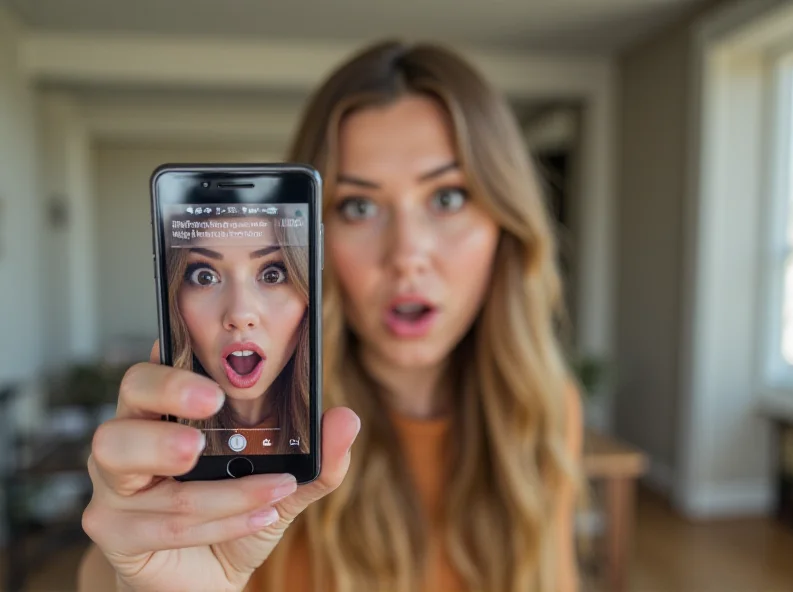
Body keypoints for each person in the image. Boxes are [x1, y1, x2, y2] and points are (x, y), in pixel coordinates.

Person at [78, 40, 583, 592]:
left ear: (504, 225)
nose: (406, 255)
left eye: (448, 197)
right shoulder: (262, 431)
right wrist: (137, 576)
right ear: (310, 239)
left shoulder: (542, 408)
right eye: (358, 206)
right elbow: (108, 573)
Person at [166, 206, 310, 455]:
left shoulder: (354, 424)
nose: (240, 315)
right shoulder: (159, 437)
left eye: (273, 275)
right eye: (204, 278)